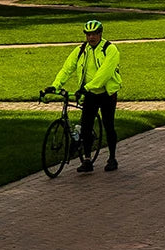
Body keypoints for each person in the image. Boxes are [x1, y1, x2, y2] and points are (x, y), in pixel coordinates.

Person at [52, 20, 123, 172]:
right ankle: (87, 160)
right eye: (88, 34)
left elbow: (104, 74)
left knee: (108, 125)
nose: (91, 37)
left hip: (106, 93)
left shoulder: (110, 50)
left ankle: (112, 158)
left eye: (94, 34)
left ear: (100, 34)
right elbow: (67, 68)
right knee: (86, 126)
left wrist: (87, 88)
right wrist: (55, 85)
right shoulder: (81, 50)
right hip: (89, 93)